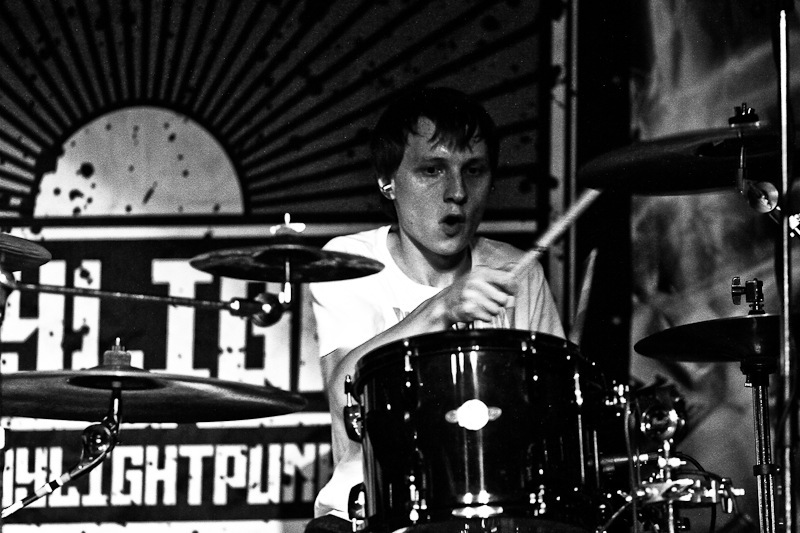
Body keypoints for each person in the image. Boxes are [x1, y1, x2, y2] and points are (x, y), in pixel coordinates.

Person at [306, 86, 565, 533]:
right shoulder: (350, 261)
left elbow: (554, 415)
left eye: (474, 170)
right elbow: (346, 396)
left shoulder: (517, 271)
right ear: (387, 180)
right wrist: (441, 308)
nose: (457, 192)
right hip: (369, 520)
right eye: (432, 170)